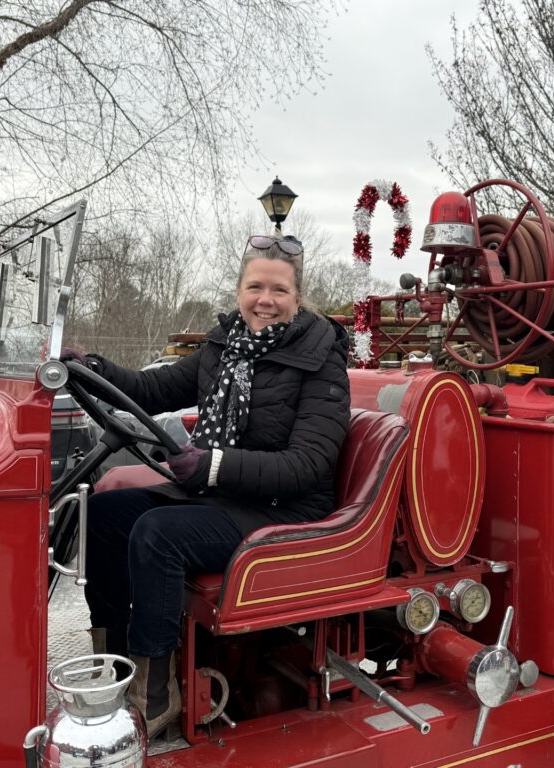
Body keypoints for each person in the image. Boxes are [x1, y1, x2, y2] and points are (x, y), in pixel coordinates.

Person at [63, 235, 351, 739]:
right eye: (255, 286)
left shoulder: (321, 358)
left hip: (287, 508)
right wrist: (92, 369)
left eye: (279, 290)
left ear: (297, 297)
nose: (266, 299)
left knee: (159, 533)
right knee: (106, 516)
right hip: (223, 497)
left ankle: (154, 698)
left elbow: (307, 462)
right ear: (240, 291)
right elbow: (156, 390)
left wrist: (213, 465)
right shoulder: (226, 347)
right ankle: (113, 665)